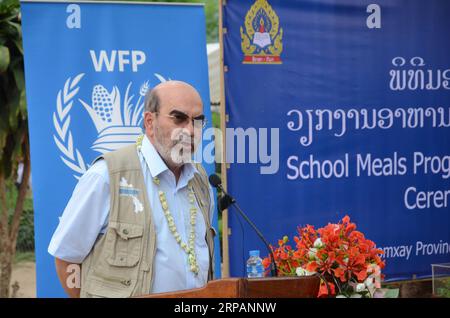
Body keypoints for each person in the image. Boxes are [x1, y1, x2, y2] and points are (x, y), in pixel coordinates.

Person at [48, 81, 215, 298]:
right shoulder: (108, 175)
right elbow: (66, 257)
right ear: (149, 122)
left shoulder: (200, 180)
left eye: (198, 121)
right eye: (179, 118)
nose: (191, 131)